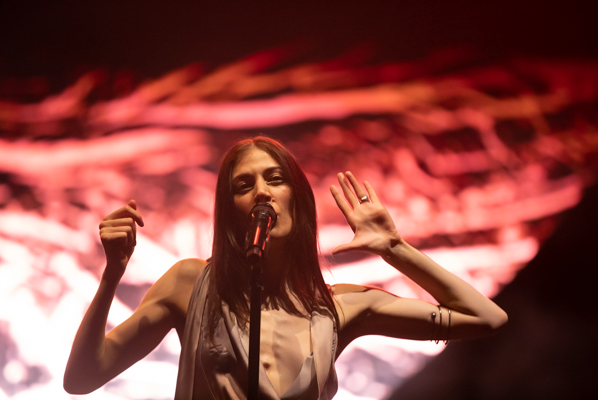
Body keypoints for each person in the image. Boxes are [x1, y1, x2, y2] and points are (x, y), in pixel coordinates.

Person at [64, 136, 507, 399]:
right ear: (230, 212)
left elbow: (487, 318)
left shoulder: (340, 308)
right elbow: (82, 378)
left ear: (298, 199)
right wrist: (112, 274)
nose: (262, 192)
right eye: (244, 185)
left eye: (275, 179)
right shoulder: (190, 284)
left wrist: (395, 249)